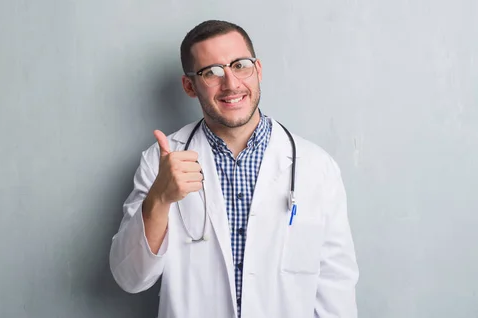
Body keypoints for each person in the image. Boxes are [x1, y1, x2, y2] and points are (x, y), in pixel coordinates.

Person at [109, 19, 359, 318]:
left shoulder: (316, 167)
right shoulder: (161, 162)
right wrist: (159, 200)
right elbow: (130, 278)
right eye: (211, 72)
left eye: (240, 65)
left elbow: (336, 288)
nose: (230, 83)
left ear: (259, 70)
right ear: (190, 86)